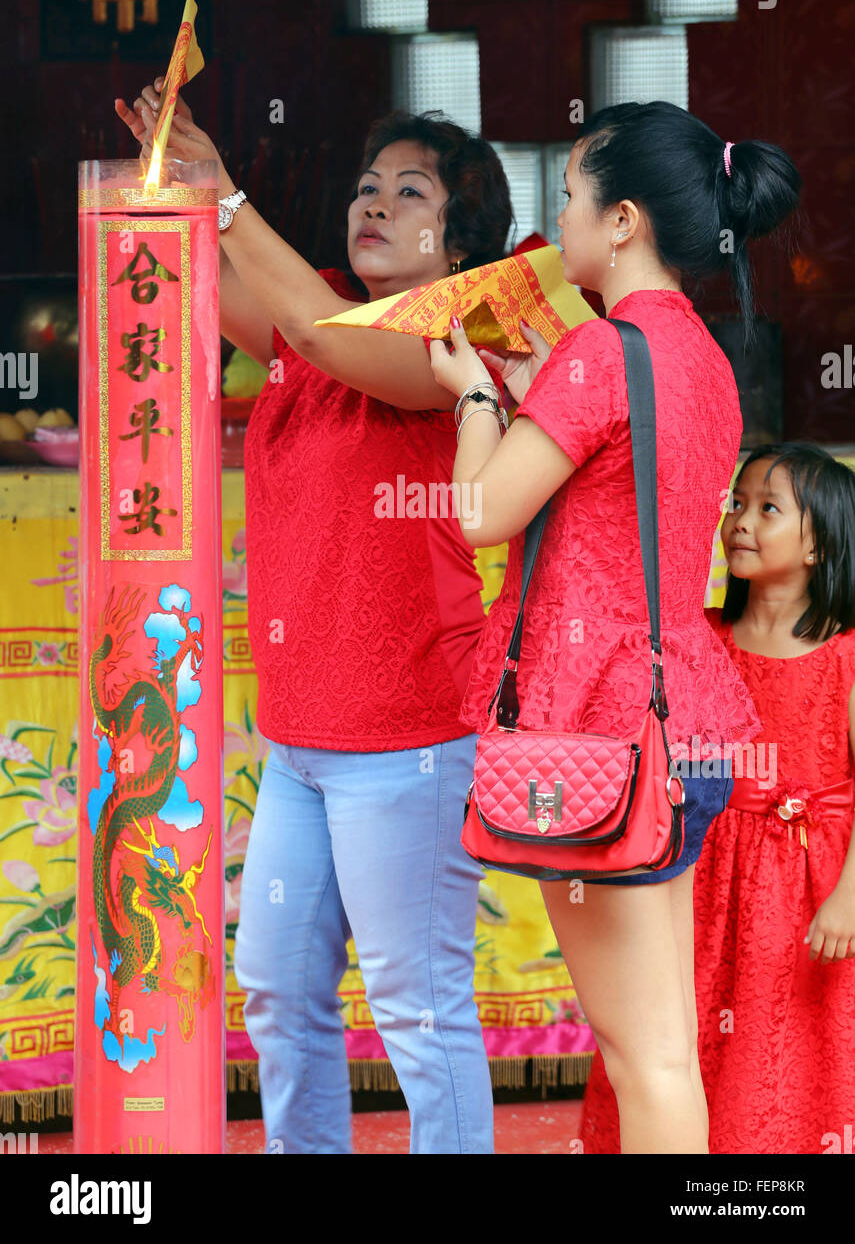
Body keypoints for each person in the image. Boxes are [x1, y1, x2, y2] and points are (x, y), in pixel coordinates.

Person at [115, 83, 516, 1154]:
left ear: (461, 235)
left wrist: (230, 190)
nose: (372, 204)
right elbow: (236, 298)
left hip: (409, 740)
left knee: (419, 1013)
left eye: (408, 192)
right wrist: (180, 181)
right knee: (278, 993)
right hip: (299, 740)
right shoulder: (319, 316)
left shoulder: (456, 338)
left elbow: (314, 329)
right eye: (364, 187)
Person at [422, 100, 801, 1154]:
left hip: (601, 730)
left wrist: (474, 400)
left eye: (573, 196)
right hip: (682, 716)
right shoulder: (706, 361)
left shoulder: (602, 353)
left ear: (624, 219)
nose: (562, 217)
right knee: (665, 1042)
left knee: (647, 1055)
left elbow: (482, 512)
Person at [582, 443, 855, 1154]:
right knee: (684, 1030)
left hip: (808, 889)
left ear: (822, 543)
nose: (739, 520)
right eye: (736, 503)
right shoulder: (698, 639)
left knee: (784, 1045)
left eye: (768, 508)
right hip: (699, 878)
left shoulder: (846, 655)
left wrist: (848, 897)